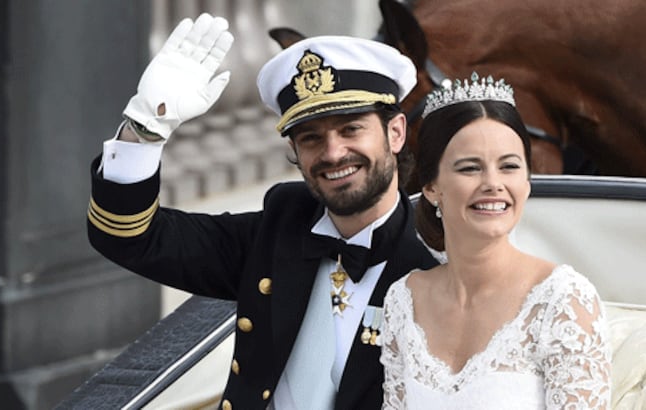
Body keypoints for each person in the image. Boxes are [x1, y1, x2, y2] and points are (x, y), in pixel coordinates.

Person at [85, 13, 439, 410]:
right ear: (294, 152)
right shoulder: (279, 228)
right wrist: (146, 129)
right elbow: (130, 237)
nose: (333, 152)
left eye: (351, 129)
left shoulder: (437, 260)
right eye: (311, 138)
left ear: (395, 133)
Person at [380, 73, 611, 409]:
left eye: (509, 166)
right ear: (431, 188)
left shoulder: (563, 301)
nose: (492, 183)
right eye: (470, 168)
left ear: (527, 182)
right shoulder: (404, 300)